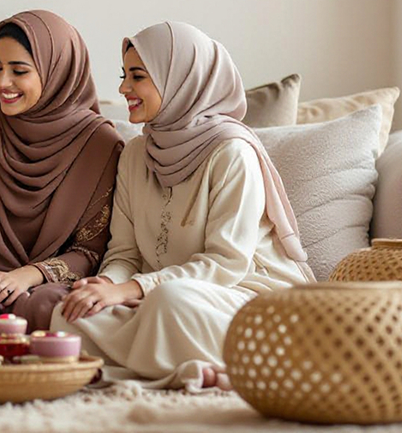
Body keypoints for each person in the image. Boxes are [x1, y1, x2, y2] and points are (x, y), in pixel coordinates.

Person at [52, 21, 316, 391]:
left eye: (138, 76)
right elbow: (125, 252)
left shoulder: (232, 152)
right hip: (161, 294)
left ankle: (171, 372)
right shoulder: (134, 154)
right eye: (124, 75)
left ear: (180, 80)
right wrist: (105, 285)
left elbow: (226, 264)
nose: (123, 88)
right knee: (68, 315)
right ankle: (201, 371)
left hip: (246, 297)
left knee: (169, 303)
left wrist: (131, 291)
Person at [0, 10, 124, 332]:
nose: (2, 83)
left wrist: (27, 275)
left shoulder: (101, 145)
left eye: (19, 71)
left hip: (49, 287)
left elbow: (91, 250)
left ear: (58, 73)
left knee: (49, 304)